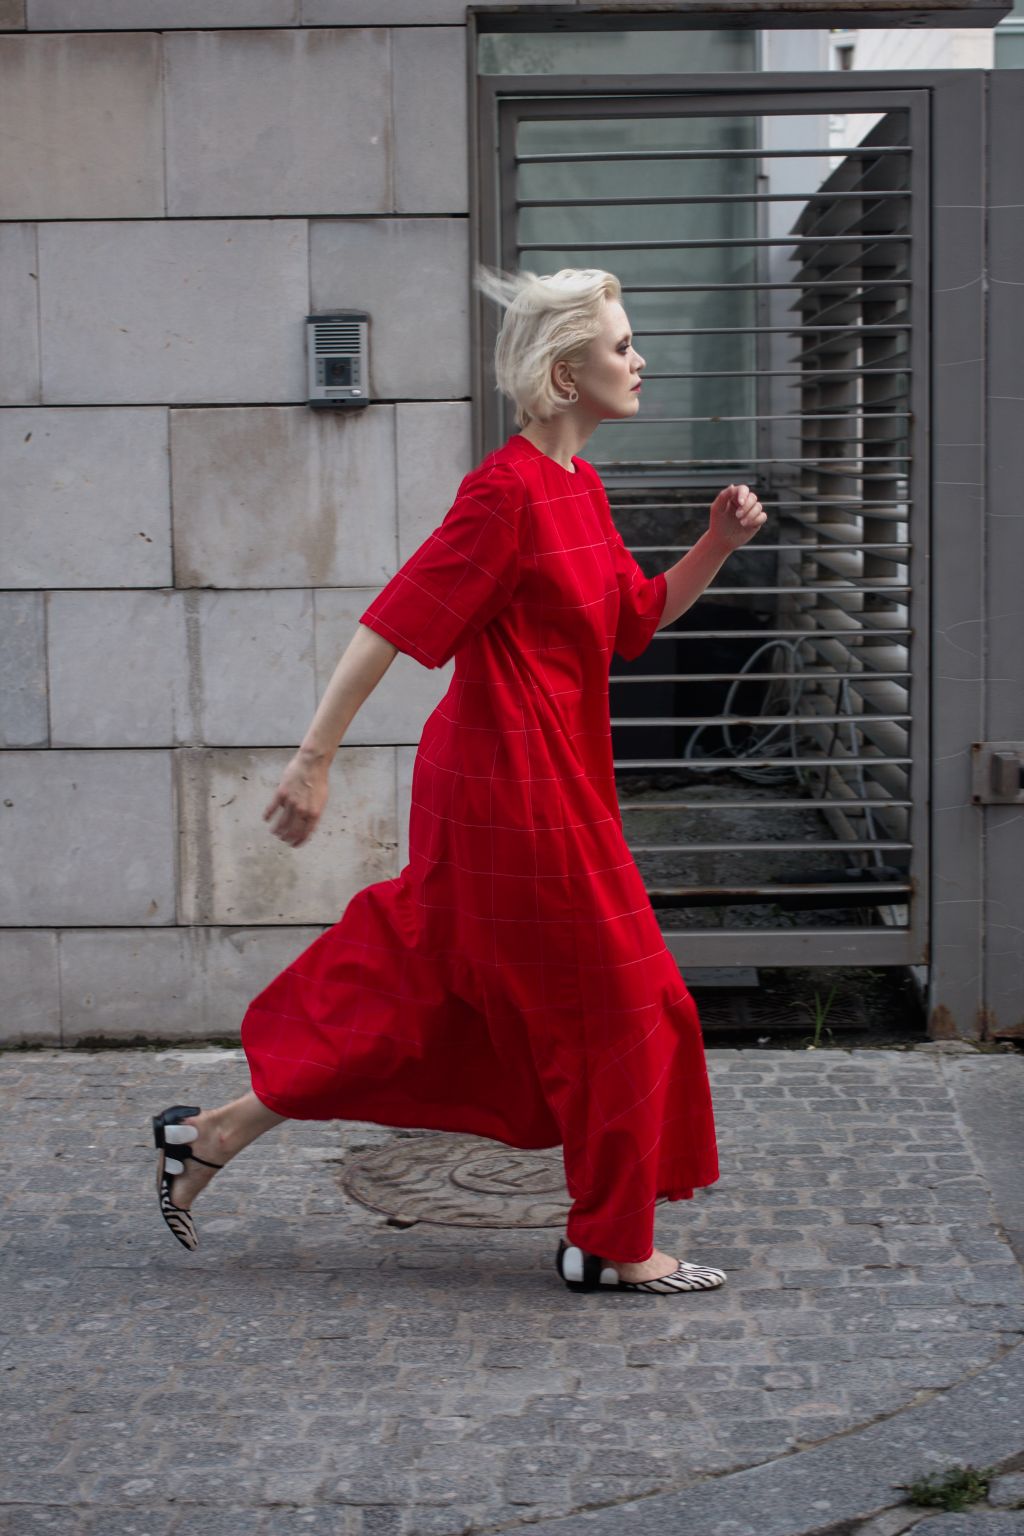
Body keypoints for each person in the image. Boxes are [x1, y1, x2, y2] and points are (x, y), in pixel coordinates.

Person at [152, 266, 767, 1295]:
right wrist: (312, 761)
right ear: (565, 375)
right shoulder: (504, 492)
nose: (639, 360)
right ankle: (609, 1244)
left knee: (431, 998)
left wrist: (717, 543)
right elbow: (392, 622)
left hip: (555, 783)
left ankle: (210, 1133)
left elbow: (632, 621)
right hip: (505, 793)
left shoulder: (578, 487)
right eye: (621, 346)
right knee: (632, 1003)